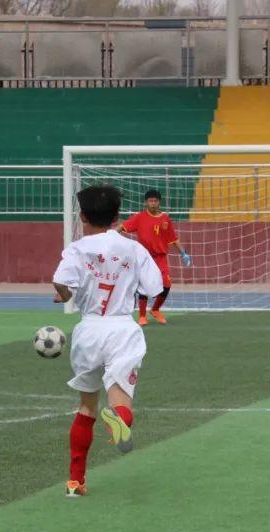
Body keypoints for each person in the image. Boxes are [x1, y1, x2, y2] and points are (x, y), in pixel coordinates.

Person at [52, 185, 164, 497]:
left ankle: (75, 481)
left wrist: (65, 295)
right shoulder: (133, 248)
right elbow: (154, 287)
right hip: (121, 328)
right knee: (121, 401)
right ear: (117, 217)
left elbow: (60, 281)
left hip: (88, 329)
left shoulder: (77, 248)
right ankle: (120, 417)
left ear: (82, 216)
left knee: (86, 407)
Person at [119, 189, 191, 325]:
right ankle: (142, 316)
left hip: (160, 258)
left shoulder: (165, 219)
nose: (153, 203)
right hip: (144, 258)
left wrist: (183, 253)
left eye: (155, 201)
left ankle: (155, 309)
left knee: (167, 284)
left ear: (159, 202)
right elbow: (122, 226)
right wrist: (110, 236)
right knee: (144, 286)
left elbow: (174, 239)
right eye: (150, 201)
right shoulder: (139, 217)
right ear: (146, 202)